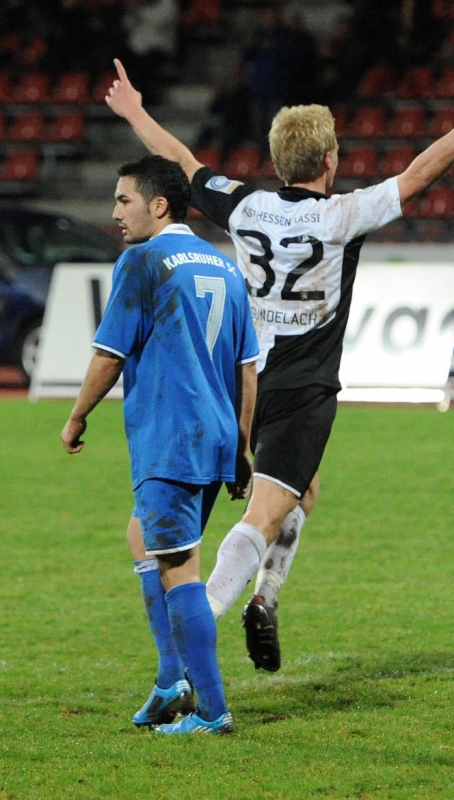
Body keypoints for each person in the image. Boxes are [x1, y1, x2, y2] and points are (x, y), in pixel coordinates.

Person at [104, 57, 454, 676]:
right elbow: (419, 172)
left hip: (239, 381)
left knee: (305, 493)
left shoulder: (244, 207)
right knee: (264, 514)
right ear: (330, 161)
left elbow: (185, 162)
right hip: (303, 386)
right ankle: (200, 632)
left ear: (278, 163)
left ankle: (265, 598)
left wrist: (136, 112)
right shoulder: (342, 216)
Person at [61, 154, 259, 735]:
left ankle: (212, 710)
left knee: (179, 567)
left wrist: (76, 416)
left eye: (124, 200)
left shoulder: (144, 261)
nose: (115, 212)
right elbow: (248, 369)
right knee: (142, 536)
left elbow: (109, 355)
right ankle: (172, 678)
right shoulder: (224, 266)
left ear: (158, 204)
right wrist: (241, 447)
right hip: (217, 434)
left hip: (173, 437)